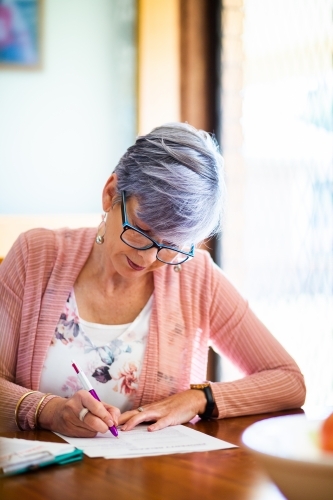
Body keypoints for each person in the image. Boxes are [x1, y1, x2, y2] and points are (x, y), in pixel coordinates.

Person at [0, 122, 306, 437]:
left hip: (153, 479)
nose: (148, 259)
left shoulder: (195, 275)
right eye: (142, 232)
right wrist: (47, 411)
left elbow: (288, 380)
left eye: (172, 245)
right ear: (110, 194)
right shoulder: (35, 256)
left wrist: (199, 398)